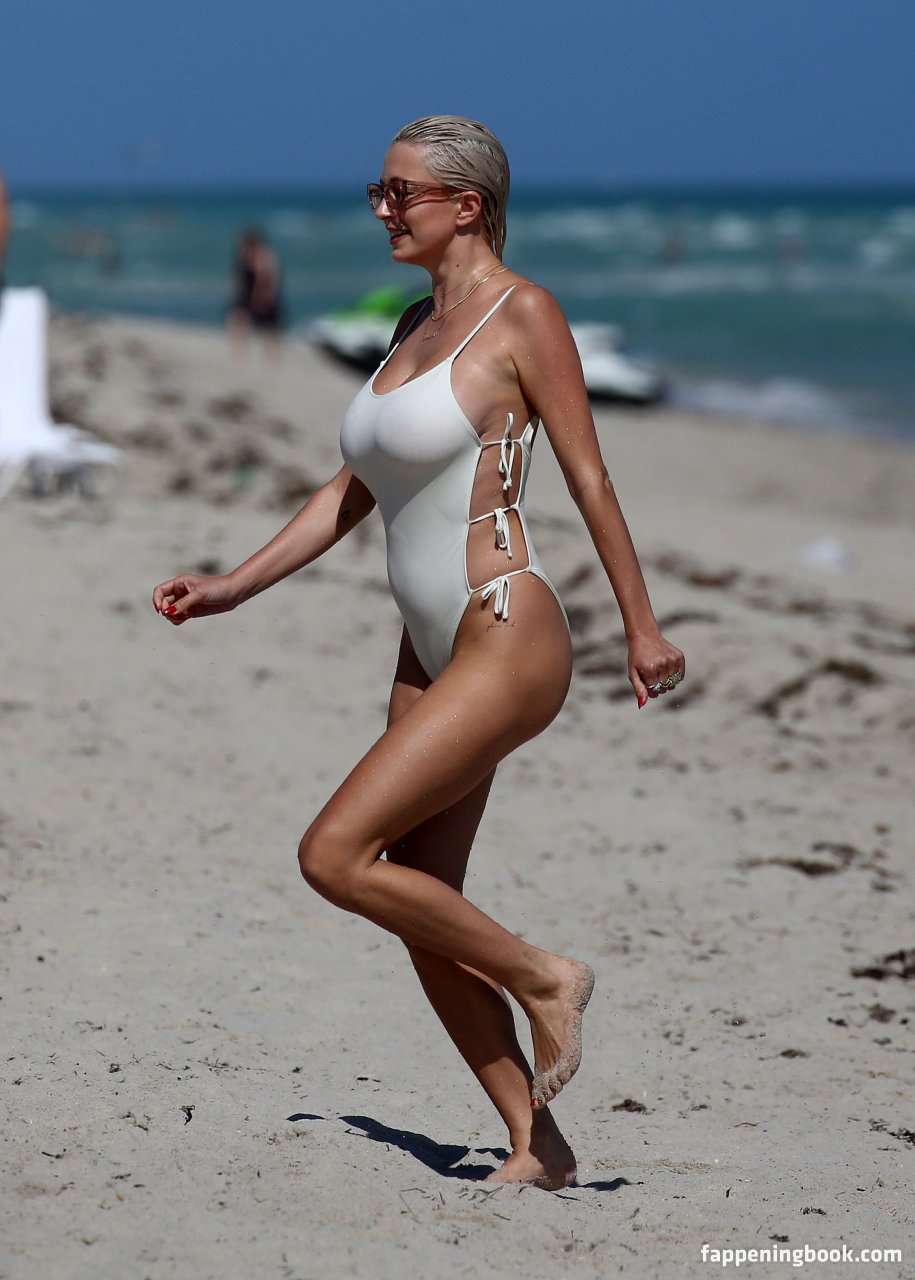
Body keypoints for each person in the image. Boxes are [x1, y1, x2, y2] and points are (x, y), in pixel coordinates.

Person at [154, 116, 684, 1190]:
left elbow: (588, 475)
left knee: (334, 855)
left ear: (467, 205)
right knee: (418, 902)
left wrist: (641, 624)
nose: (384, 208)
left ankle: (546, 976)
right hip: (426, 641)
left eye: (402, 192)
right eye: (380, 191)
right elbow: (352, 490)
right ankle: (539, 1143)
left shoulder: (523, 312)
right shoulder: (412, 323)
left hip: (504, 624)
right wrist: (234, 585)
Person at [226, 227, 284, 355]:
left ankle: (244, 353)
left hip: (258, 296)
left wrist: (260, 297)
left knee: (267, 329)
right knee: (240, 322)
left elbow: (263, 278)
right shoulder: (247, 254)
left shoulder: (261, 256)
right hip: (251, 295)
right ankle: (241, 352)